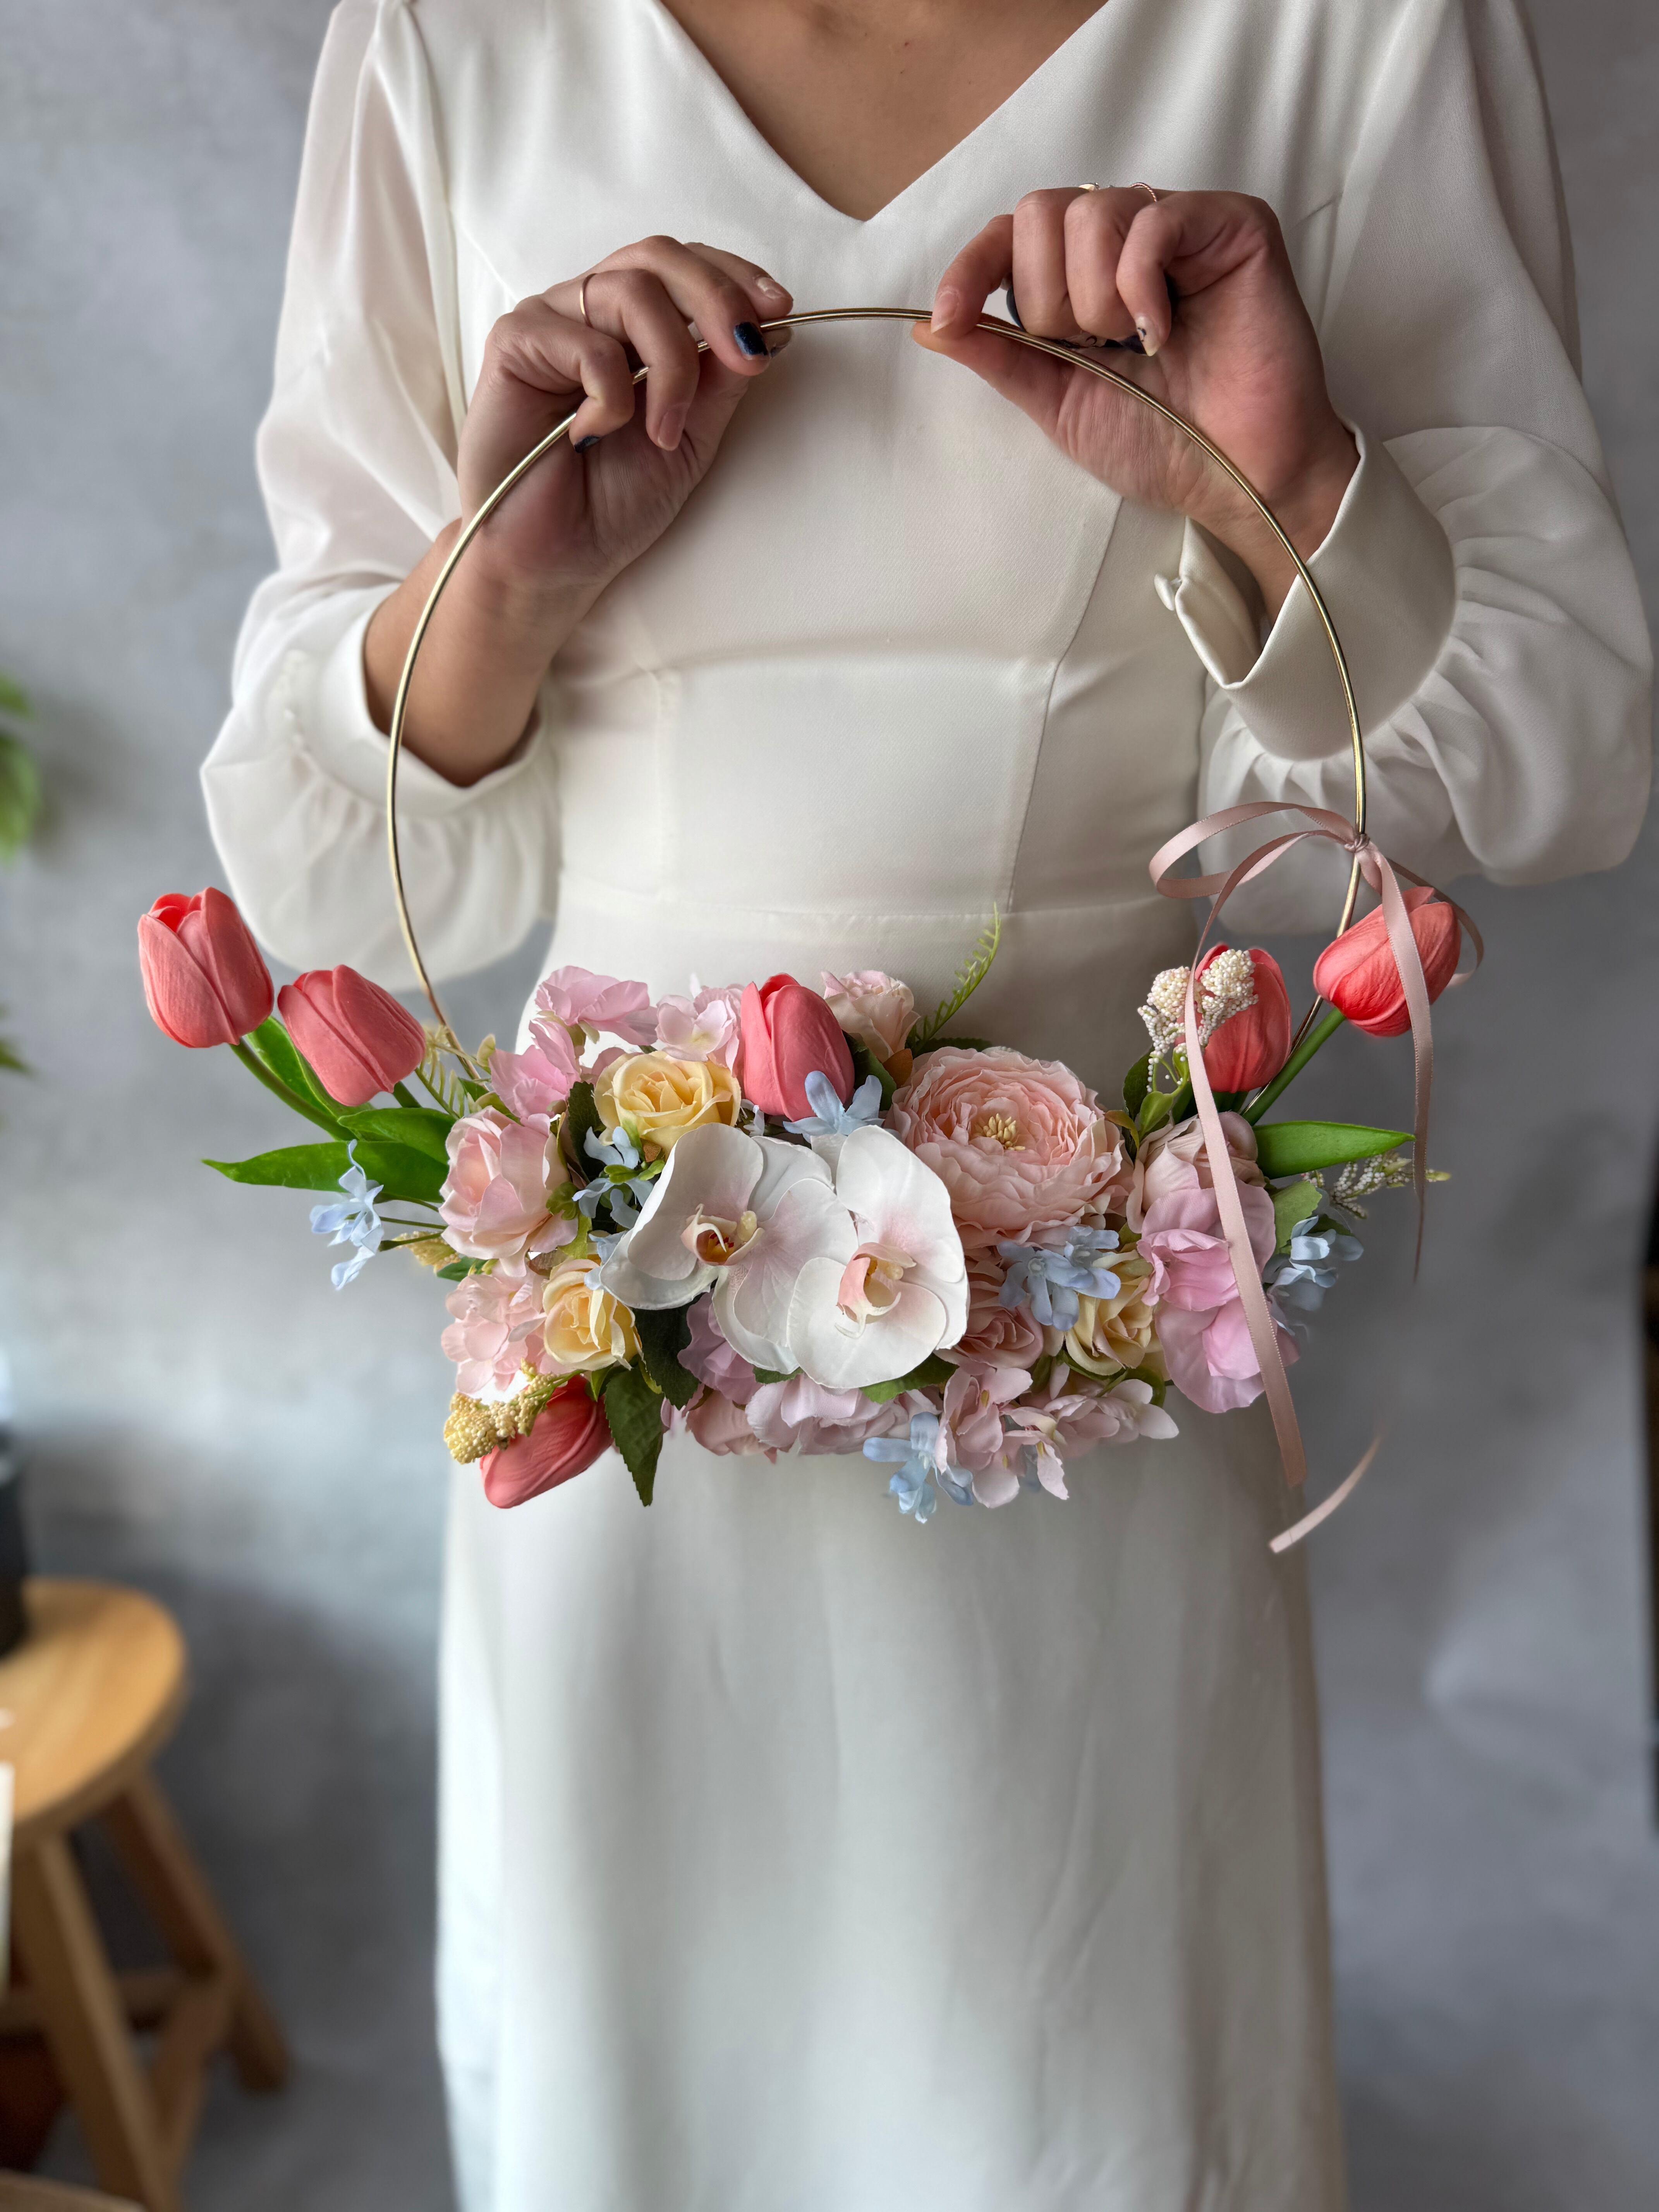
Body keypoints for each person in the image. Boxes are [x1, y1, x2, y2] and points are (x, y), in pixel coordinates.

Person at [203, 2, 1651, 2205]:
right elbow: (332, 876)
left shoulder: (1352, 30)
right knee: (655, 2087)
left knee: (1086, 2077)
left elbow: (1557, 767)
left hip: (1093, 1393)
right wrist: (503, 571)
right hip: (623, 1402)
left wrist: (1281, 489)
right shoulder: (451, 37)